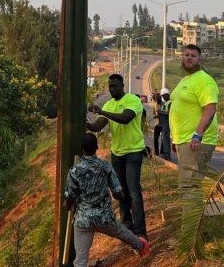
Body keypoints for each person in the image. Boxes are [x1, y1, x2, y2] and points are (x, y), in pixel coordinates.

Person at [65, 132, 151, 267]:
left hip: (83, 221)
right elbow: (118, 193)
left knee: (80, 260)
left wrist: (68, 205)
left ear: (82, 148)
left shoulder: (74, 171)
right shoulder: (105, 166)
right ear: (97, 147)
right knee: (122, 232)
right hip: (104, 218)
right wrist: (123, 197)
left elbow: (70, 197)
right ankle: (141, 246)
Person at [87, 74, 148, 237]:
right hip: (117, 153)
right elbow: (97, 126)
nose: (112, 89)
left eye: (115, 86)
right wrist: (84, 122)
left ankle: (141, 232)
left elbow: (126, 118)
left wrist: (102, 111)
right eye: (110, 86)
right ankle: (127, 226)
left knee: (134, 191)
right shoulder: (109, 104)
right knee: (121, 191)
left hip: (133, 151)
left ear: (122, 85)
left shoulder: (132, 100)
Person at [169, 44, 219, 204]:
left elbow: (210, 108)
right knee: (187, 186)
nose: (189, 58)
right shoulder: (185, 80)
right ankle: (190, 218)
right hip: (184, 140)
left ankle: (191, 220)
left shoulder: (204, 80)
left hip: (196, 141)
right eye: (186, 55)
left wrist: (198, 134)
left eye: (193, 55)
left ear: (199, 59)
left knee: (190, 187)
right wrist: (175, 138)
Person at [157, 87, 172, 159]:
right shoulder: (166, 103)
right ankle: (163, 153)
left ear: (167, 95)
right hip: (163, 123)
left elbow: (169, 113)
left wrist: (160, 112)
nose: (163, 97)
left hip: (167, 123)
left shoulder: (170, 103)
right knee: (163, 138)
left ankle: (167, 155)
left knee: (166, 139)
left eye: (163, 96)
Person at [151, 93, 163, 160]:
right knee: (155, 138)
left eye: (159, 98)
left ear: (160, 98)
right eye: (156, 98)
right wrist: (156, 115)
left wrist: (160, 114)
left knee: (163, 139)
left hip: (163, 124)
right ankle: (156, 152)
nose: (157, 99)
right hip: (157, 124)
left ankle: (162, 151)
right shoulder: (154, 105)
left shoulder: (164, 104)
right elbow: (154, 114)